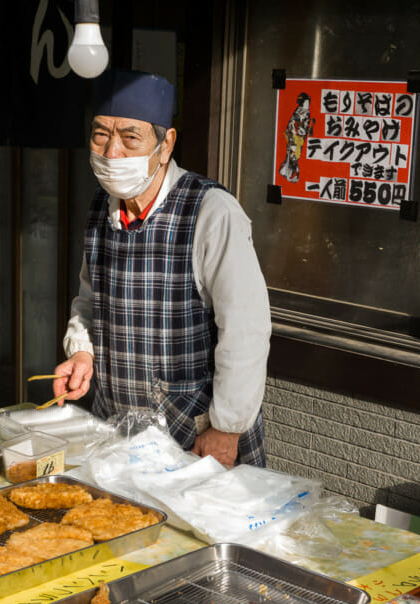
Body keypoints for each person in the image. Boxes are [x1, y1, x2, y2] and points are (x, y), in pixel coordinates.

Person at [54, 70, 271, 468]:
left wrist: (226, 428)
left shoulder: (211, 211)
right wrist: (82, 354)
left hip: (197, 437)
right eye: (100, 134)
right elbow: (89, 301)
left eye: (130, 137)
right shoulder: (102, 209)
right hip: (118, 433)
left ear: (166, 144)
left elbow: (246, 329)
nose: (111, 153)